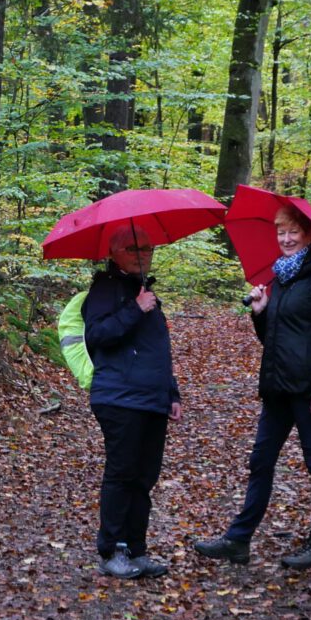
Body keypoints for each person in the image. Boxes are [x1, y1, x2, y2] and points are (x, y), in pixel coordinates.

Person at [194, 205, 311, 569]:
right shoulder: (282, 276)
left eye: (293, 231)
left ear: (310, 234)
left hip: (308, 389)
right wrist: (261, 312)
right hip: (278, 386)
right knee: (260, 460)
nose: (286, 238)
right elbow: (274, 338)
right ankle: (238, 539)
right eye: (281, 232)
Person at [82, 224, 182, 579]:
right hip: (119, 397)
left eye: (148, 249)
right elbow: (97, 335)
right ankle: (111, 550)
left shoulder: (145, 292)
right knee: (123, 473)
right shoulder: (105, 288)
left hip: (150, 398)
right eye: (135, 248)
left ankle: (136, 549)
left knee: (144, 477)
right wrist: (135, 309)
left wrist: (172, 393)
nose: (143, 254)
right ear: (114, 253)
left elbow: (157, 351)